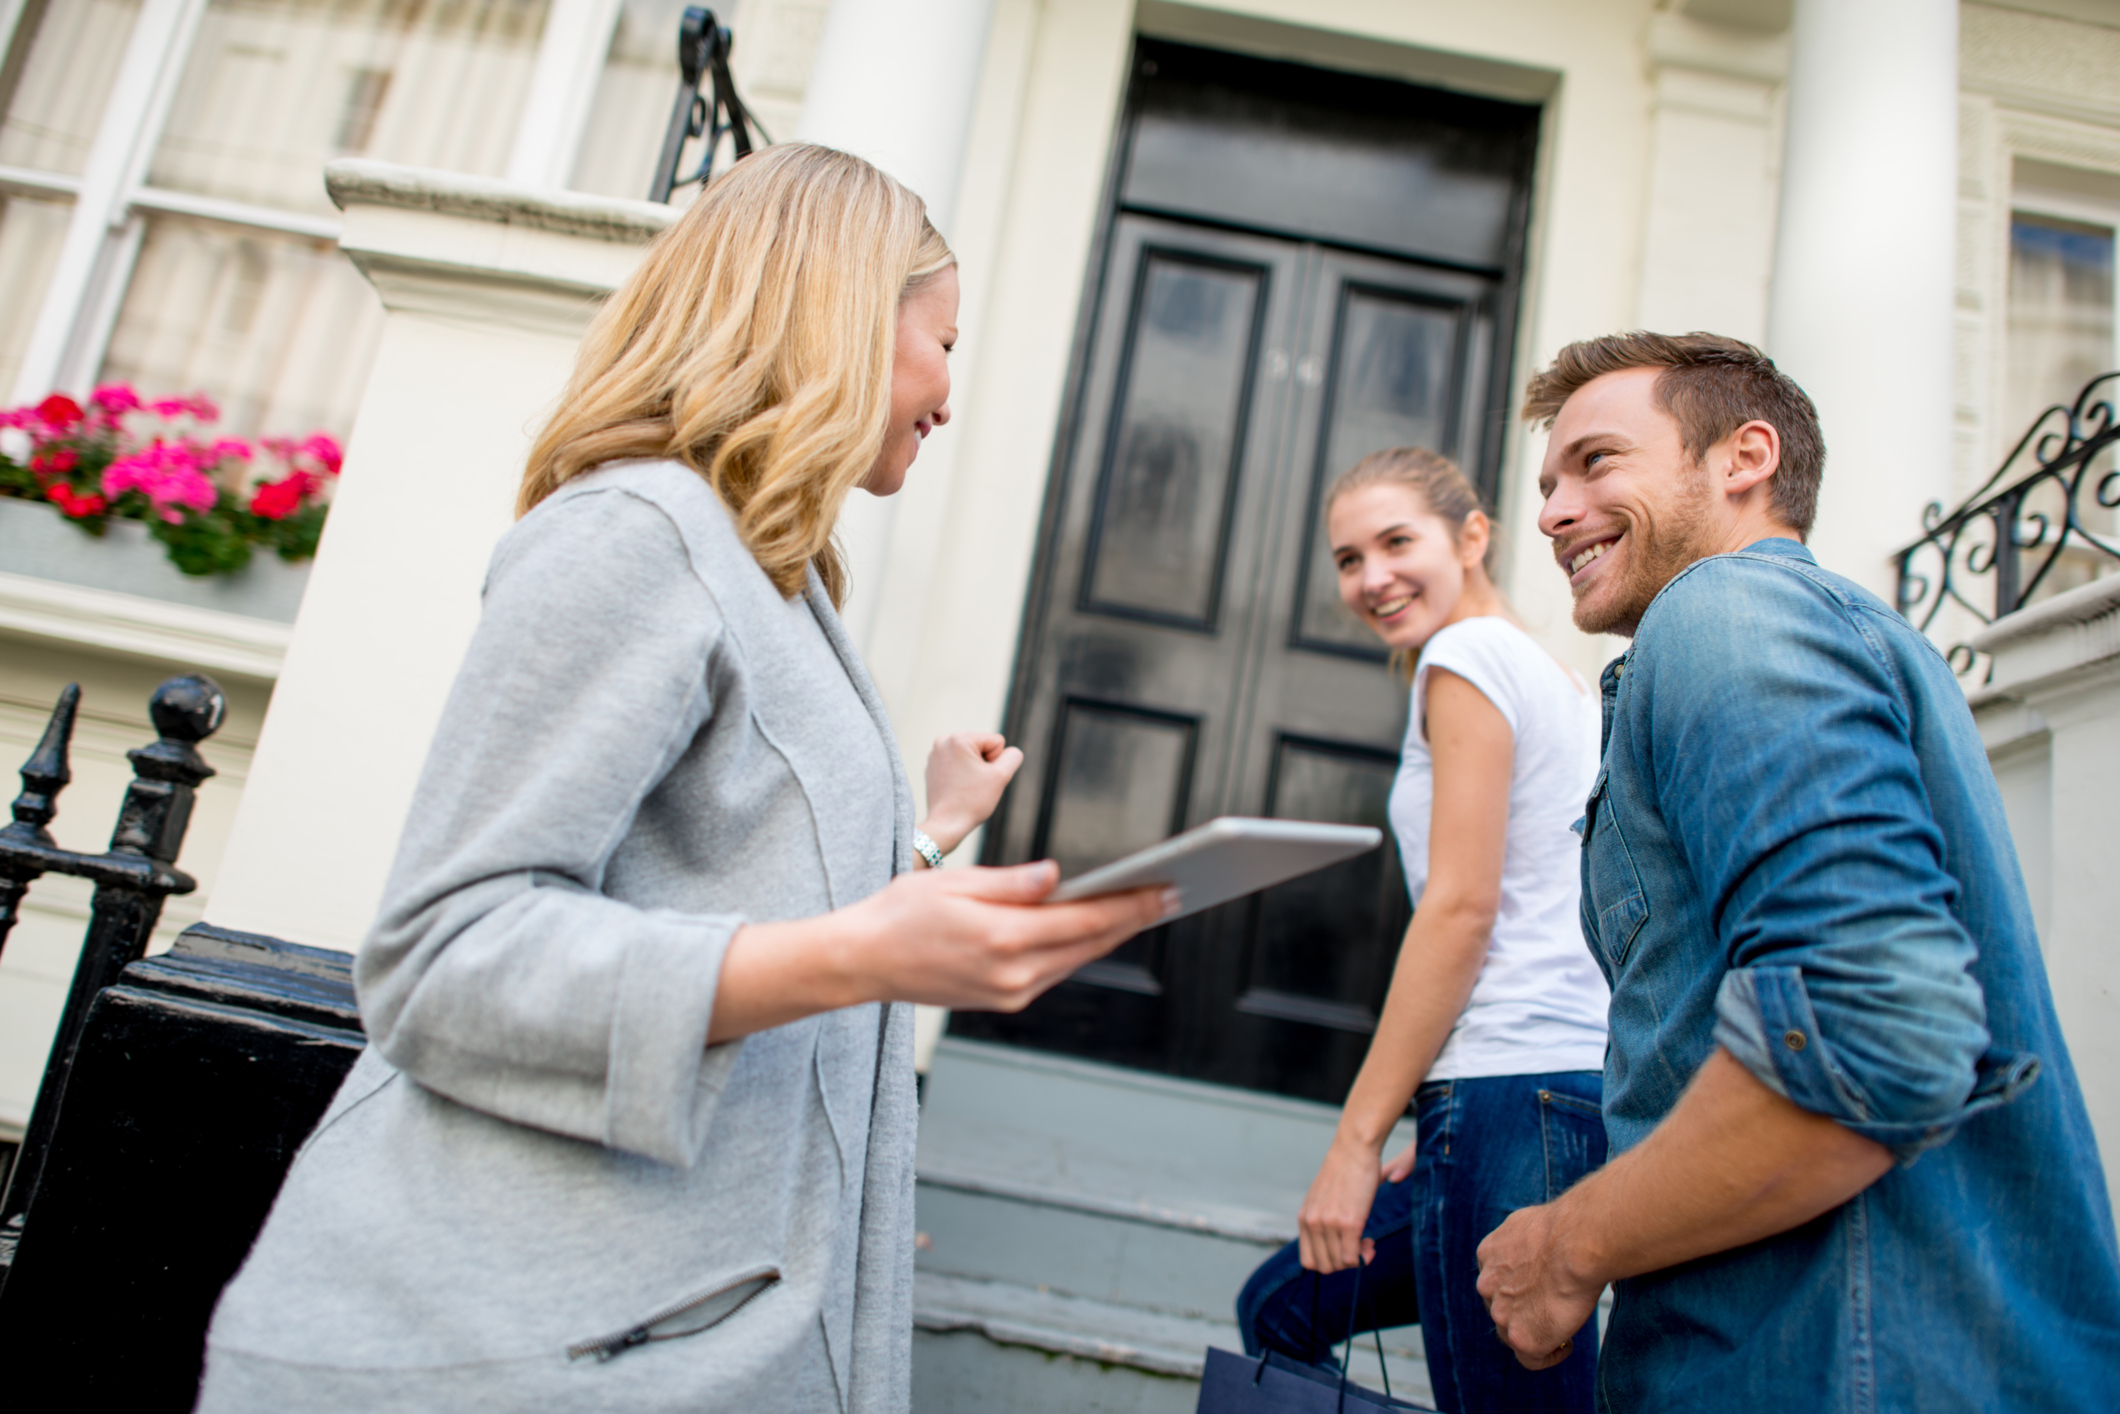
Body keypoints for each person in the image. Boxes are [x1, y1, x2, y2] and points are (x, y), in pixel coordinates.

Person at [195, 145, 1170, 1413]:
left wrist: (927, 839)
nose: (947, 393)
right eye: (942, 342)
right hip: (523, 1353)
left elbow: (729, 893)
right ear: (837, 317)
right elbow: (443, 955)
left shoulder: (776, 576)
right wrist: (860, 954)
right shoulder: (632, 536)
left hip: (677, 1330)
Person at [1477, 331, 2120, 1410]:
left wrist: (1568, 1244)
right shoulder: (1827, 632)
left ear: (1745, 457)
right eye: (1547, 486)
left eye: (1595, 462)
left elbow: (1870, 1031)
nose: (1551, 513)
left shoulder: (1727, 613)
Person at [1235, 448, 1609, 1413]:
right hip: (1546, 1090)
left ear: (1472, 536)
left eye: (1397, 542)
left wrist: (1357, 1141)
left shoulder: (1464, 659)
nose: (1372, 578)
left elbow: (1462, 907)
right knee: (1281, 1310)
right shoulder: (1559, 678)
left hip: (1507, 1086)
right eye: (1348, 559)